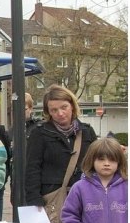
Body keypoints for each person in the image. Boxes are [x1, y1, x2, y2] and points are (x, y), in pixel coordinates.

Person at [24, 85, 97, 214]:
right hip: (52, 197)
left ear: (72, 106)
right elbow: (32, 168)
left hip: (84, 196)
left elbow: (96, 163)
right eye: (54, 110)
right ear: (48, 112)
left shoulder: (87, 131)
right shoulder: (39, 132)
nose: (60, 113)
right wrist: (34, 200)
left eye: (64, 107)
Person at [61, 137, 128, 223]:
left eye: (112, 159)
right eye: (101, 159)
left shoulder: (126, 187)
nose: (106, 163)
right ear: (92, 160)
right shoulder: (79, 188)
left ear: (119, 162)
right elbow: (70, 216)